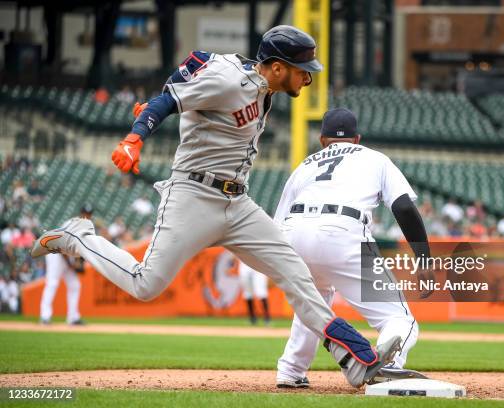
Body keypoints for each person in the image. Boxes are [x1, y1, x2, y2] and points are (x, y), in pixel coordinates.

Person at [31, 25, 400, 388]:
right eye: (302, 71)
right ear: (276, 67)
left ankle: (351, 356)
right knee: (146, 284)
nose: (307, 79)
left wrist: (174, 90)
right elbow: (168, 100)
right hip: (193, 195)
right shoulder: (228, 79)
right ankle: (78, 237)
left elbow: (186, 74)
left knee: (296, 273)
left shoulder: (260, 85)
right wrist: (134, 137)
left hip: (237, 203)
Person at [274, 108, 429, 388]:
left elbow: (277, 222)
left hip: (293, 233)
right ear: (357, 138)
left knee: (314, 302)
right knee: (398, 319)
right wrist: (424, 260)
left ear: (322, 140)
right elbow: (404, 206)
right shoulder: (374, 158)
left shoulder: (305, 165)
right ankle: (388, 366)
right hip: (343, 229)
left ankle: (290, 371)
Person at [39, 204, 93, 325]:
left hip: (67, 257)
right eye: (85, 213)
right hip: (56, 254)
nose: (87, 216)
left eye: (89, 214)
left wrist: (78, 264)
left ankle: (72, 318)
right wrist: (70, 264)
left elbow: (82, 249)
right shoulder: (72, 224)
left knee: (75, 285)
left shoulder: (88, 228)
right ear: (81, 213)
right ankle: (45, 316)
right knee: (52, 283)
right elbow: (60, 244)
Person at [238, 260, 270, 325]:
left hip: (258, 264)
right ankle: (252, 317)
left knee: (261, 292)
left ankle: (267, 317)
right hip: (244, 265)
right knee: (248, 294)